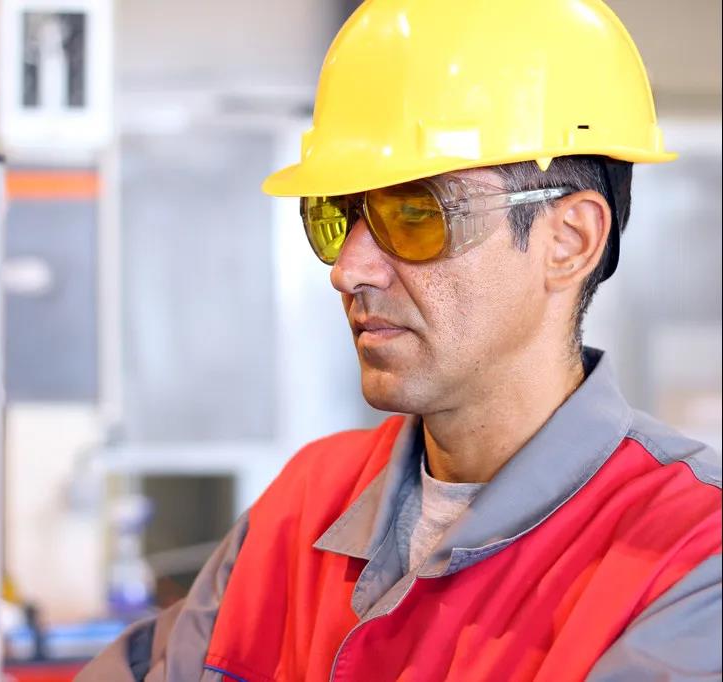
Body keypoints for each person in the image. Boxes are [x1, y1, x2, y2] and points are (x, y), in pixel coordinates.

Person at [79, 0, 722, 679]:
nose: (348, 270)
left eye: (417, 214)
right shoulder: (306, 505)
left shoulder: (691, 557)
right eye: (338, 217)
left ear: (569, 241)